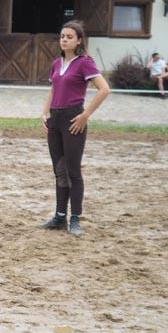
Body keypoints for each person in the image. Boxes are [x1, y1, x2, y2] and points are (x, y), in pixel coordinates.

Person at [39, 20, 110, 236]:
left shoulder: (85, 63)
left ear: (79, 40)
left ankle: (75, 218)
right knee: (59, 170)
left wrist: (85, 115)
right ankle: (60, 217)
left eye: (69, 37)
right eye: (62, 36)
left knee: (73, 171)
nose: (64, 40)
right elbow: (53, 89)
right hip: (55, 119)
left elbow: (104, 89)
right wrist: (45, 113)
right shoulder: (56, 63)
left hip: (73, 118)